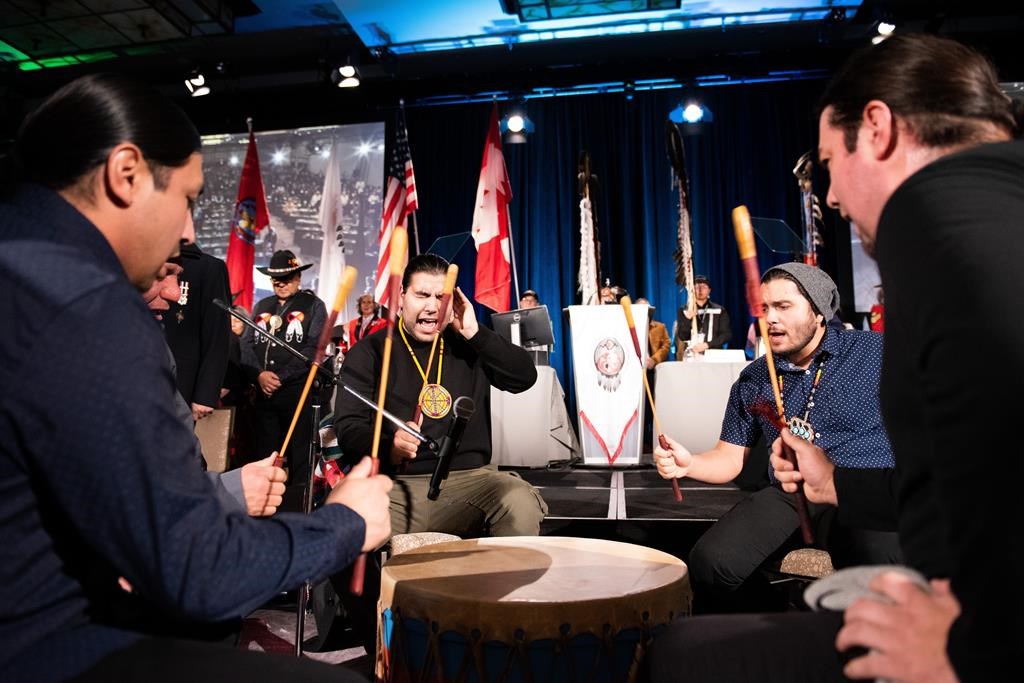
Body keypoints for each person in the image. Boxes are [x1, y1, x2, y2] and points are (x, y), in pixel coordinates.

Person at [642, 33, 1023, 683]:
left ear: (876, 128)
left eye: (828, 162)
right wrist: (832, 481)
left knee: (680, 658)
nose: (834, 197)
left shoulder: (958, 239)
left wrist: (970, 642)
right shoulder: (984, 214)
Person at [0, 72, 392, 683]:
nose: (188, 231)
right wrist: (346, 524)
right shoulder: (87, 305)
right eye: (187, 199)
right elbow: (198, 571)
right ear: (125, 173)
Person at [655, 263, 900, 614]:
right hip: (789, 496)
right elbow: (729, 457)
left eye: (783, 307)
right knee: (711, 564)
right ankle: (775, 631)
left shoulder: (874, 354)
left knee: (883, 564)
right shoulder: (755, 379)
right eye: (765, 308)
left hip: (859, 488)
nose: (770, 318)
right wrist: (689, 463)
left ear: (818, 312)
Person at [335, 253, 549, 538]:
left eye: (441, 297)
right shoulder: (371, 351)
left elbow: (524, 378)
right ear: (401, 296)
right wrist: (390, 446)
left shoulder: (469, 343)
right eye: (422, 295)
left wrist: (474, 332)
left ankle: (499, 583)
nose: (432, 307)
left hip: (469, 481)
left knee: (519, 501)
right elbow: (349, 427)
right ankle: (385, 584)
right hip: (393, 485)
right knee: (340, 526)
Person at [240, 249, 327, 491]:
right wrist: (259, 375)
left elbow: (314, 348)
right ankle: (261, 497)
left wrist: (280, 378)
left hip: (296, 390)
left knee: (300, 450)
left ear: (298, 278)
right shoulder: (262, 305)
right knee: (263, 450)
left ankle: (298, 500)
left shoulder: (313, 305)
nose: (281, 284)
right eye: (276, 279)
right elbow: (245, 344)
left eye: (288, 278)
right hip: (263, 392)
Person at [163, 240, 231, 422]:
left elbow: (217, 334)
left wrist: (205, 393)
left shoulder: (209, 268)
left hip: (183, 381)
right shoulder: (144, 261)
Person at [675, 275, 732, 358]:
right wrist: (687, 319)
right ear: (692, 290)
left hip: (714, 355)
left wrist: (707, 345)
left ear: (709, 290)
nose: (700, 290)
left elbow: (727, 335)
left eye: (704, 287)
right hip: (692, 355)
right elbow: (683, 336)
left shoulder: (719, 310)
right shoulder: (684, 310)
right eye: (696, 287)